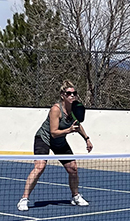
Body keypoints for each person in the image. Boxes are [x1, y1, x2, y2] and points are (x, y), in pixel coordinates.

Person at [18, 81, 94, 211]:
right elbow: (53, 133)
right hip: (44, 138)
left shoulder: (75, 108)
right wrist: (69, 130)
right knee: (40, 166)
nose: (72, 96)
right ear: (62, 95)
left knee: (73, 168)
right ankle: (24, 199)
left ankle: (75, 196)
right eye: (69, 93)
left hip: (59, 141)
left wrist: (87, 139)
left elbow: (77, 124)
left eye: (74, 93)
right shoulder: (56, 109)